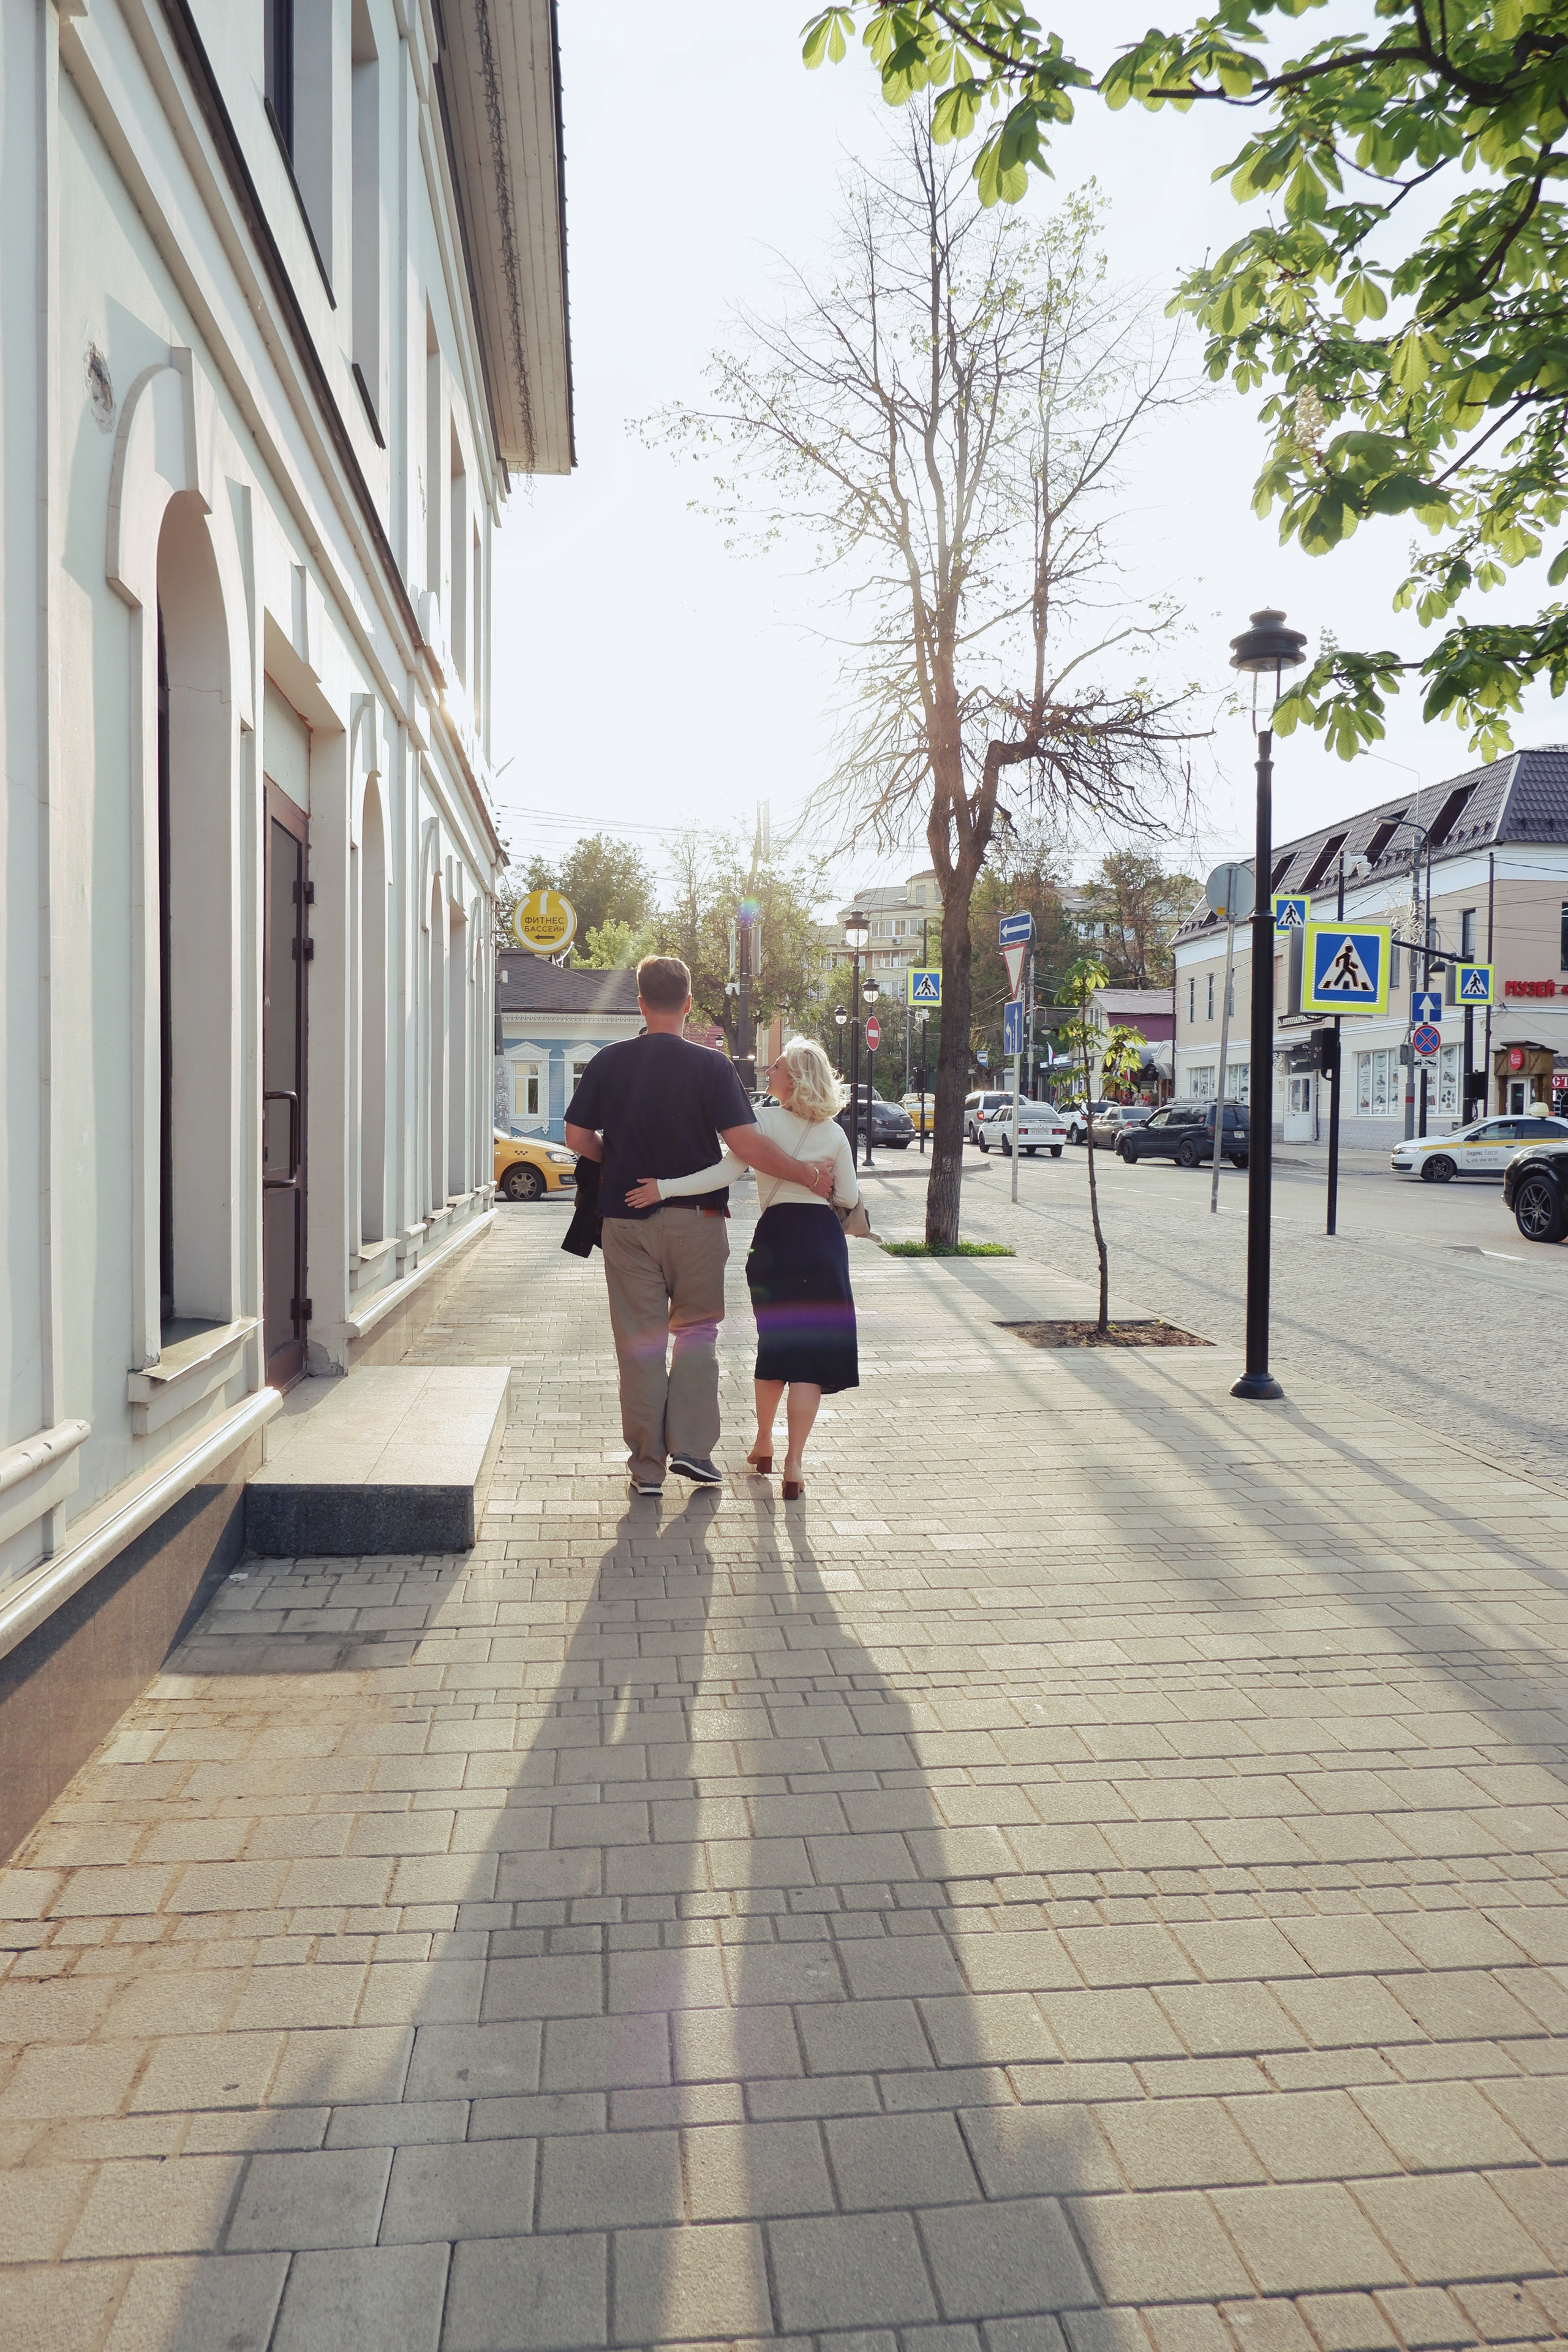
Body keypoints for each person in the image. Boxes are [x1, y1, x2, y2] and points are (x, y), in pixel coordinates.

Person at [564, 957, 836, 1498]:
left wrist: (613, 1160)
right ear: (688, 1005)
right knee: (696, 1335)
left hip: (626, 1221)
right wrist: (808, 1174)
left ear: (640, 1003)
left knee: (640, 1343)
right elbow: (746, 1146)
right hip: (700, 1222)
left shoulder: (608, 1063)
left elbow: (577, 1138)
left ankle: (647, 1469)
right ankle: (692, 1451)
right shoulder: (712, 1068)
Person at [625, 1036, 859, 1500]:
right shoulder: (835, 1133)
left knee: (776, 1346)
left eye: (775, 1066)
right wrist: (819, 1182)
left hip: (775, 1243)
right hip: (823, 1245)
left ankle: (763, 1443)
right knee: (810, 1360)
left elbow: (724, 1174)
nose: (768, 1072)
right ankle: (794, 1463)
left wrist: (665, 1189)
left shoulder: (761, 1123)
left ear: (792, 1078)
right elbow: (849, 1199)